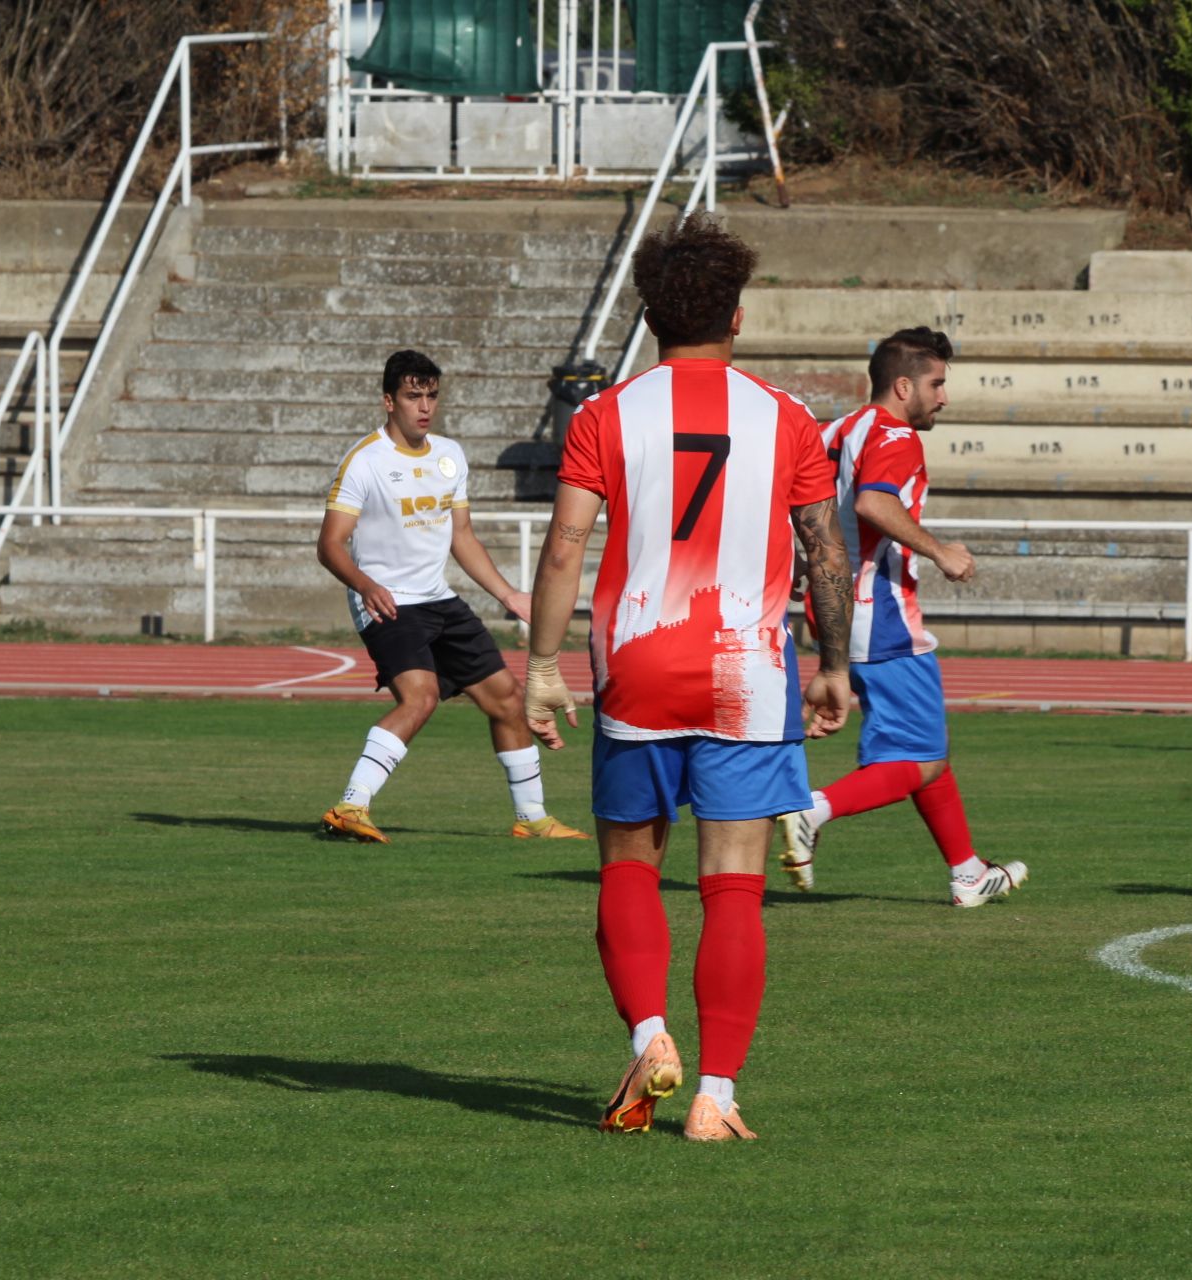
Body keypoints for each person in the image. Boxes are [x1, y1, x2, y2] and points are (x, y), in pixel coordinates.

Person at [523, 214, 853, 1142]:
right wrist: (833, 666)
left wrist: (543, 667)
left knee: (629, 863)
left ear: (651, 316)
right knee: (735, 885)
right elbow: (824, 549)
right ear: (737, 317)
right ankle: (716, 1095)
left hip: (639, 662)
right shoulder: (787, 418)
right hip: (748, 670)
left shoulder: (605, 415)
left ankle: (650, 1033)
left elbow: (563, 550)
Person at [775, 328, 1028, 907]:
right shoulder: (894, 436)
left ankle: (968, 871)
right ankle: (812, 811)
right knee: (921, 756)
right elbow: (873, 501)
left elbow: (804, 508)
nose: (944, 397)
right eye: (937, 384)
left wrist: (796, 563)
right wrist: (940, 550)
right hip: (879, 610)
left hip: (835, 604)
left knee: (925, 748)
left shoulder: (835, 431)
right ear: (904, 384)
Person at [316, 349, 587, 844]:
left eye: (431, 396)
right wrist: (365, 584)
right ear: (388, 401)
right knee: (420, 698)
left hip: (438, 599)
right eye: (412, 396)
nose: (424, 406)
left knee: (507, 700)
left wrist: (510, 595)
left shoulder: (450, 455)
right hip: (388, 601)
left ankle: (533, 818)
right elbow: (329, 545)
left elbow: (462, 536)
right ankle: (351, 805)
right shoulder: (365, 461)